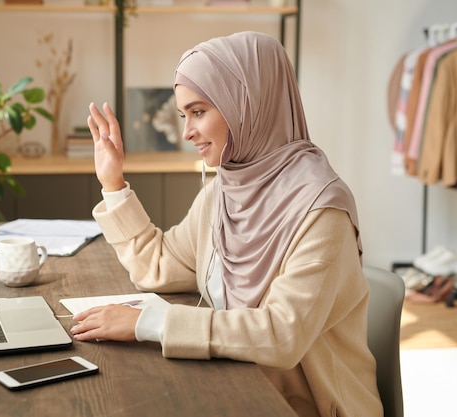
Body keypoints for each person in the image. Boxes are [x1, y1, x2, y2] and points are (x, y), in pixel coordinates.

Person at [70, 31, 383, 417]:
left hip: (304, 406)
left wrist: (148, 322)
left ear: (247, 104)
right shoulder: (225, 191)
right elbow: (159, 266)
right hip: (234, 384)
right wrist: (113, 183)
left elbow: (280, 335)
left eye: (198, 112)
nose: (187, 133)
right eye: (184, 115)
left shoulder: (322, 210)